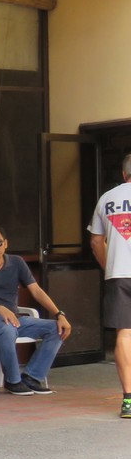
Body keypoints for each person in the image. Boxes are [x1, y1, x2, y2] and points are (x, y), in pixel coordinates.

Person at [0, 226, 70, 396]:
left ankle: (32, 377)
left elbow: (36, 291)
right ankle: (13, 381)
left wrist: (59, 314)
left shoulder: (17, 262)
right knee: (8, 330)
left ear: (6, 244)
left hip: (15, 319)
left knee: (56, 328)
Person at [89, 153, 131, 418]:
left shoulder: (107, 198)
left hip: (118, 275)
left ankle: (129, 400)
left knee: (125, 334)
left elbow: (96, 241)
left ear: (124, 174)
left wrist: (110, 266)